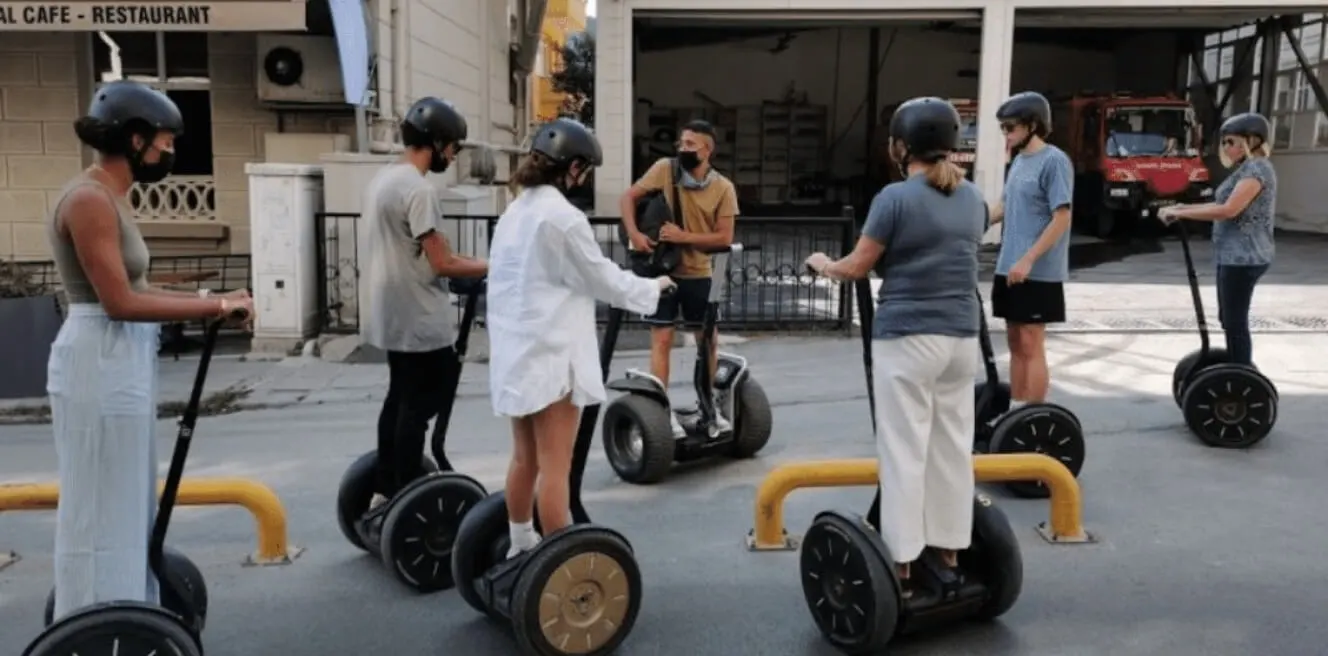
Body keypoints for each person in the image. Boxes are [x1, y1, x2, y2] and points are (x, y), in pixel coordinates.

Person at [46, 80, 254, 621]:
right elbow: (118, 302)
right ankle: (94, 622)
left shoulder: (111, 197)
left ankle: (127, 610)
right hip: (99, 354)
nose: (170, 153)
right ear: (134, 138)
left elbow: (140, 288)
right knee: (101, 505)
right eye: (165, 142)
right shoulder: (89, 200)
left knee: (127, 503)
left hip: (119, 357)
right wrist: (213, 310)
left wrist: (214, 298)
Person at [804, 97, 986, 592]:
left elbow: (857, 266)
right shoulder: (973, 198)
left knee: (904, 449)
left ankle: (902, 564)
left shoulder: (894, 198)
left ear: (901, 146)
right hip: (961, 338)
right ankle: (947, 554)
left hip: (907, 338)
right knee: (951, 448)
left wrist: (822, 263)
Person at [488, 118, 675, 558]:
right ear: (572, 167)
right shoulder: (563, 218)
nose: (585, 177)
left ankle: (520, 546)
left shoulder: (514, 212)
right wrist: (652, 287)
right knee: (557, 470)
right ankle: (561, 565)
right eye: (584, 168)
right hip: (554, 359)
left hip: (518, 353)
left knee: (524, 459)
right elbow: (600, 277)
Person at [357, 97, 489, 541]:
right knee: (422, 403)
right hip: (419, 314)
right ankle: (405, 492)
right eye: (451, 147)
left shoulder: (384, 181)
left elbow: (439, 254)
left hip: (390, 311)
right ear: (434, 143)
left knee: (398, 399)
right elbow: (442, 264)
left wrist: (484, 262)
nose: (452, 157)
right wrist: (497, 268)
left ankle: (384, 489)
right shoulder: (419, 190)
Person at [618, 119, 739, 438]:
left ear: (708, 150)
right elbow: (628, 197)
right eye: (681, 143)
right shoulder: (664, 170)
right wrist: (634, 235)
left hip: (699, 274)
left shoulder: (723, 188)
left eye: (691, 145)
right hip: (663, 272)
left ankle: (709, 405)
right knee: (661, 339)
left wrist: (683, 236)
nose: (683, 149)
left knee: (707, 341)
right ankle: (661, 410)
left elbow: (724, 238)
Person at [1158, 112, 1275, 365]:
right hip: (1233, 255)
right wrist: (1180, 209)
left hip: (1245, 256)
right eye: (1224, 142)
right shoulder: (1245, 169)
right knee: (1229, 319)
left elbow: (1228, 210)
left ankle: (1241, 373)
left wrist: (1181, 213)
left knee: (1235, 321)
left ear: (1252, 141)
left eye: (1231, 142)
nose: (1226, 148)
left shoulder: (1257, 169)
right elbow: (1220, 203)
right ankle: (1235, 368)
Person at [987, 91, 1073, 405]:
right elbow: (1005, 206)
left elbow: (1061, 217)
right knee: (1014, 342)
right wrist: (972, 224)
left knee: (1031, 341)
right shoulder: (1020, 162)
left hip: (1036, 270)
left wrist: (1028, 259)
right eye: (1003, 129)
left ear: (1033, 125)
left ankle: (1034, 415)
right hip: (1009, 266)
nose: (1006, 135)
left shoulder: (1054, 161)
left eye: (1010, 128)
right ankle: (1016, 410)